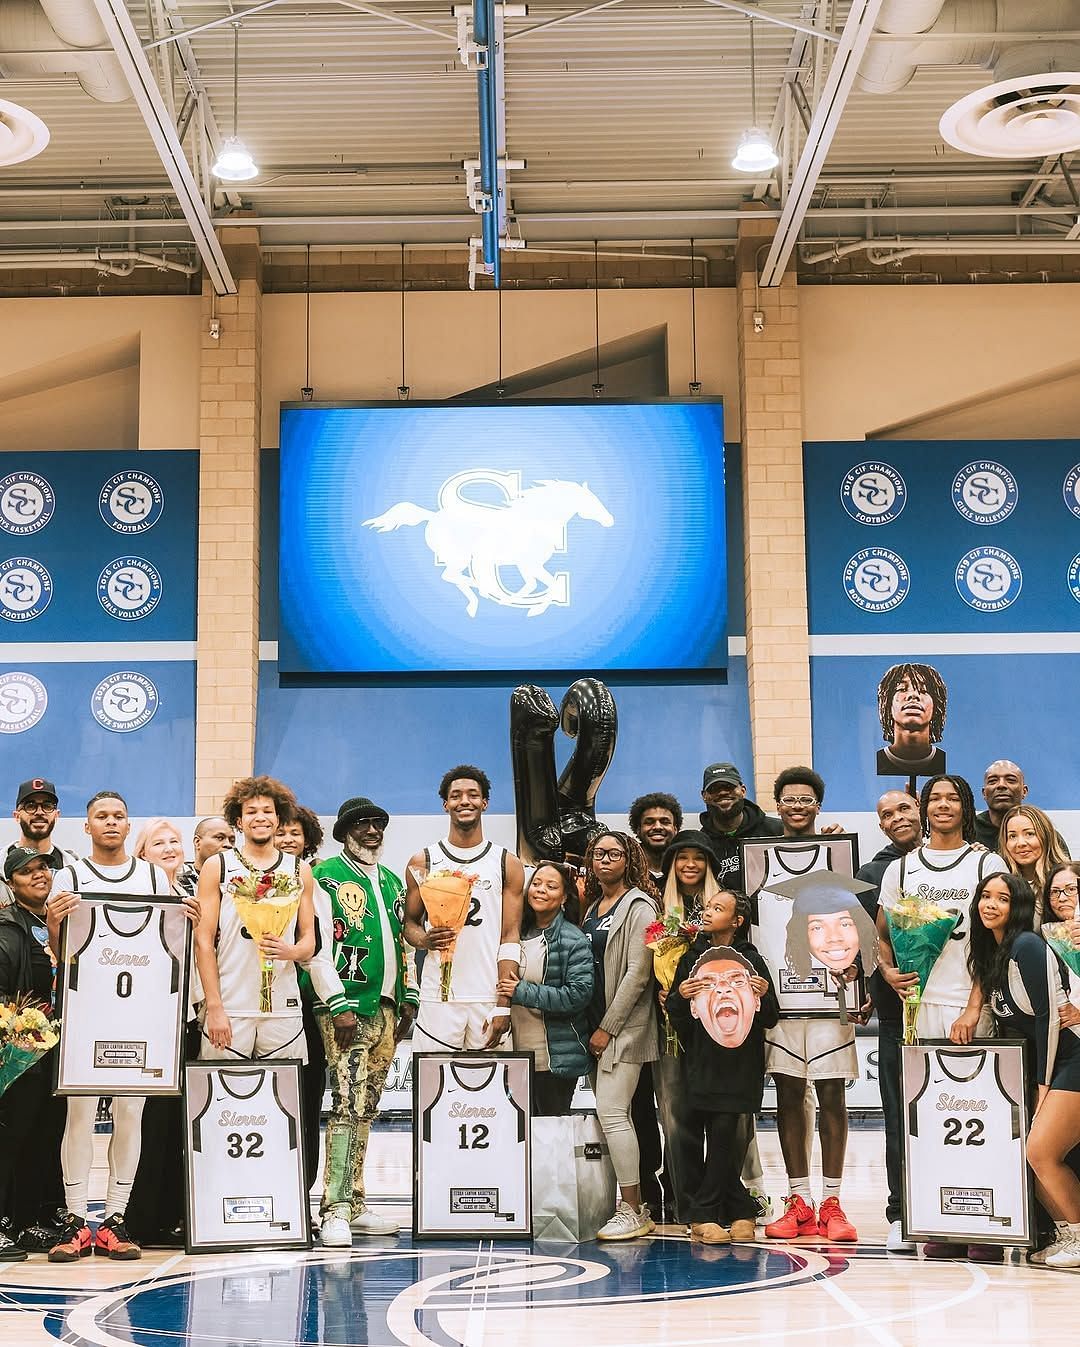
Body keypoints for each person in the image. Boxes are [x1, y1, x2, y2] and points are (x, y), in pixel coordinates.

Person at [46, 791, 195, 1263]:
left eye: (119, 816)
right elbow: (62, 952)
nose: (111, 823)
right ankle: (74, 1219)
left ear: (129, 827)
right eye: (101, 817)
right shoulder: (69, 877)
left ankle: (114, 1218)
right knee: (80, 1117)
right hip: (86, 1010)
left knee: (131, 1115)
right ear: (86, 827)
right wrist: (53, 925)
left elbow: (170, 944)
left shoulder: (154, 876)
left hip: (140, 1013)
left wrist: (187, 920)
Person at [875, 773, 1006, 1261]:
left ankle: (982, 1223)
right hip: (915, 1008)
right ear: (925, 808)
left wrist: (976, 1006)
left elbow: (996, 942)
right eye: (935, 799)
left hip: (969, 1006)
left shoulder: (985, 862)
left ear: (965, 806)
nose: (943, 806)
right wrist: (887, 971)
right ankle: (938, 1219)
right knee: (925, 1120)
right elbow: (882, 933)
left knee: (975, 1116)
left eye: (953, 798)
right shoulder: (902, 868)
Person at [312, 797, 417, 1247]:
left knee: (367, 1107)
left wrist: (408, 997)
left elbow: (404, 942)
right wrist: (337, 1002)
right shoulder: (325, 877)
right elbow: (314, 944)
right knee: (345, 1104)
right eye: (362, 824)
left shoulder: (393, 882)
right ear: (344, 832)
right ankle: (333, 1208)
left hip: (388, 1008)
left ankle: (354, 1203)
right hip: (346, 1008)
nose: (372, 830)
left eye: (378, 823)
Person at [968, 871, 1080, 1269]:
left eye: (1002, 898)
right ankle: (1067, 1234)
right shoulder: (994, 955)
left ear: (1018, 907)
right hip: (1046, 1066)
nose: (991, 904)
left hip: (1070, 1059)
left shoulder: (1028, 945)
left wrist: (1042, 1086)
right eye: (985, 896)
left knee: (1040, 1150)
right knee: (1030, 1155)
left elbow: (1049, 1018)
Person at [762, 871, 871, 1245]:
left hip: (831, 1011)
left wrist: (860, 984)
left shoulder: (846, 939)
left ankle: (831, 1201)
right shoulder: (776, 936)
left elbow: (867, 951)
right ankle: (799, 1201)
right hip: (786, 1014)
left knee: (832, 1098)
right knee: (788, 1098)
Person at [667, 889, 778, 1244]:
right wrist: (681, 996)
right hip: (701, 1062)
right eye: (707, 907)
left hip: (741, 1064)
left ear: (737, 920)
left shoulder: (752, 959)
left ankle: (706, 1213)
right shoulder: (690, 959)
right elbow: (678, 1016)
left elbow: (771, 1017)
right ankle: (738, 1207)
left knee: (726, 1137)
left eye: (718, 908)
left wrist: (761, 993)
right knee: (710, 1137)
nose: (707, 912)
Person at [194, 775, 316, 1063]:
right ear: (238, 821)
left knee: (283, 1099)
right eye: (251, 812)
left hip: (283, 1006)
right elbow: (203, 940)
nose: (259, 818)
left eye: (267, 811)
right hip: (231, 1004)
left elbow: (309, 939)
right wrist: (214, 1007)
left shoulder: (300, 870)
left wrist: (292, 951)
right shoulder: (218, 867)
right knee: (222, 1095)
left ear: (278, 818)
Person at [403, 766, 524, 1052]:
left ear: (485, 803)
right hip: (438, 996)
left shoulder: (507, 862)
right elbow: (409, 925)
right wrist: (424, 939)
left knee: (491, 1092)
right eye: (455, 796)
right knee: (434, 1088)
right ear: (446, 805)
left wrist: (503, 1006)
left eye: (473, 795)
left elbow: (510, 936)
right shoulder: (424, 860)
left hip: (487, 994)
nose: (464, 801)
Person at [580, 830, 659, 1240]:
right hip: (595, 1027)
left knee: (613, 1113)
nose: (605, 859)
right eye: (598, 853)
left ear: (629, 859)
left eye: (614, 853)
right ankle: (623, 1202)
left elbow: (638, 973)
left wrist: (607, 1028)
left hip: (622, 1029)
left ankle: (634, 1208)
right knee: (610, 1114)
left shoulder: (639, 907)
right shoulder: (594, 906)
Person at [276, 804, 354, 1209]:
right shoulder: (244, 882)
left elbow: (325, 947)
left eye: (295, 833)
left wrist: (337, 999)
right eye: (281, 832)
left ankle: (300, 1190)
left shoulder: (319, 882)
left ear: (308, 840)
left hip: (314, 1005)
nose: (288, 839)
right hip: (268, 1005)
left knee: (306, 1101)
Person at [856, 789, 922, 1253]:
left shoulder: (969, 859)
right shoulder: (872, 874)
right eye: (886, 814)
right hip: (896, 1013)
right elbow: (864, 943)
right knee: (898, 1114)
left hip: (950, 1009)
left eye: (903, 808)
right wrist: (876, 977)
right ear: (879, 825)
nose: (896, 817)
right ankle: (900, 1212)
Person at [0, 848, 66, 1261]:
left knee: (43, 1135)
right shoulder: (7, 925)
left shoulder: (60, 920)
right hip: (17, 1046)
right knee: (10, 1136)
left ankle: (25, 1222)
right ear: (11, 881)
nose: (38, 875)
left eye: (43, 867)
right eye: (27, 871)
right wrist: (18, 1024)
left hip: (56, 1045)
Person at [498, 861, 593, 1116]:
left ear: (564, 897)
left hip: (553, 1061)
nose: (541, 890)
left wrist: (521, 992)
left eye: (551, 886)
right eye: (536, 884)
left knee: (552, 1136)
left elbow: (578, 995)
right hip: (515, 1055)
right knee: (521, 1136)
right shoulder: (515, 934)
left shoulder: (574, 940)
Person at [697, 762, 782, 894]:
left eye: (729, 787)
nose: (723, 792)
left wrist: (825, 839)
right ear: (704, 796)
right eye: (714, 789)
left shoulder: (776, 830)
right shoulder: (701, 844)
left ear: (742, 790)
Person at [1, 778, 77, 905]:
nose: (40, 812)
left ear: (56, 815)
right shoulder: (2, 862)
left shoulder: (71, 865)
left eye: (47, 806)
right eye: (30, 806)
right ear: (17, 816)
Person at [1000, 805, 1070, 922]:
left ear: (1046, 836)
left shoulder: (1069, 878)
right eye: (1012, 836)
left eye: (1030, 834)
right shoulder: (1001, 882)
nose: (1020, 843)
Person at [875, 663, 947, 777]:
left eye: (923, 690)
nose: (913, 695)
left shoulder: (944, 760)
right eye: (902, 689)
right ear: (887, 703)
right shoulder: (876, 760)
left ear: (936, 705)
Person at [772, 767, 846, 840]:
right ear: (778, 808)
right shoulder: (764, 850)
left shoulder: (834, 845)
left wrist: (843, 846)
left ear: (818, 807)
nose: (797, 806)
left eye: (806, 800)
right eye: (789, 800)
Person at [629, 792, 683, 889]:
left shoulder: (686, 869)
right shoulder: (626, 870)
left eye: (665, 822)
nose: (657, 827)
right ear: (638, 829)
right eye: (649, 822)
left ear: (675, 829)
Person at [175, 816, 236, 896]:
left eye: (232, 841)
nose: (228, 845)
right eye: (220, 838)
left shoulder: (238, 881)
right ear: (197, 842)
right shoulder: (175, 879)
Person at [133, 817, 185, 889]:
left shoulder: (181, 889)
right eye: (158, 843)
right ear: (143, 855)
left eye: (173, 841)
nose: (169, 849)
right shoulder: (141, 890)